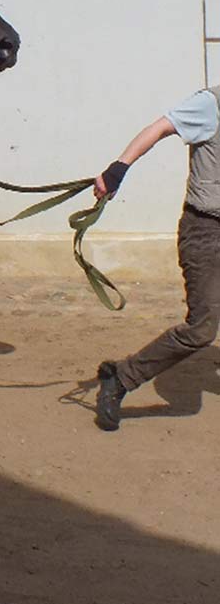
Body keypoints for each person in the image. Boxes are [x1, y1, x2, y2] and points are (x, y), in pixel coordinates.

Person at [94, 84, 220, 431]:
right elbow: (160, 128)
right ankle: (121, 377)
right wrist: (118, 168)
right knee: (201, 330)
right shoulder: (210, 104)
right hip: (207, 231)